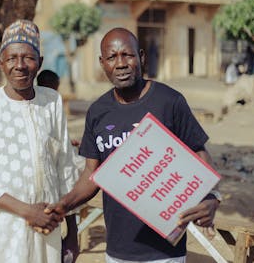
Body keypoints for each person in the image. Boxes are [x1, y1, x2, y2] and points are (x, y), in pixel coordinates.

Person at [46, 28, 221, 263]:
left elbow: (199, 153)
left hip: (165, 252)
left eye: (127, 55)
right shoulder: (98, 112)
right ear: (102, 63)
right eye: (112, 57)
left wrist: (211, 196)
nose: (120, 64)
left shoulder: (169, 101)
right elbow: (91, 173)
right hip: (118, 251)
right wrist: (65, 204)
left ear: (141, 57)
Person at [0, 19, 79, 263]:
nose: (20, 66)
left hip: (47, 226)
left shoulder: (51, 101)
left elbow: (64, 166)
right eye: (12, 58)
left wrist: (73, 233)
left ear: (40, 63)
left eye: (28, 58)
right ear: (1, 63)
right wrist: (27, 211)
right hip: (2, 228)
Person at [37, 69, 80, 262]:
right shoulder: (47, 101)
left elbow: (57, 141)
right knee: (78, 170)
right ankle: (73, 229)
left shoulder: (51, 103)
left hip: (53, 164)